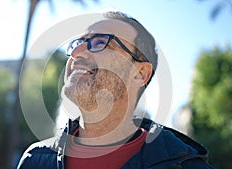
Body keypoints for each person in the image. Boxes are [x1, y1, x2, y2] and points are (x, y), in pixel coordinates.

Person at [17, 11, 213, 169]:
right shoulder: (35, 160)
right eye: (77, 43)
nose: (76, 53)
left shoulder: (185, 165)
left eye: (101, 42)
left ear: (139, 73)